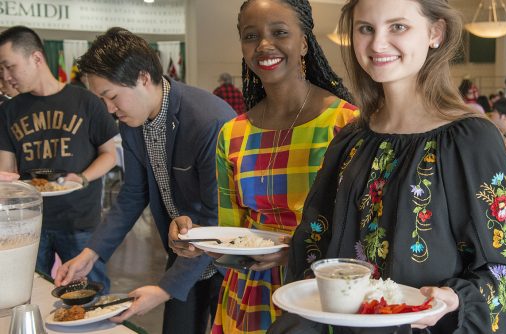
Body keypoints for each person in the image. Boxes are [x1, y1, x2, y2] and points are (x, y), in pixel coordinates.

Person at [270, 0, 506, 332]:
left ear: (435, 32)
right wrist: (283, 251)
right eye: (365, 28)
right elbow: (317, 242)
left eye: (398, 26)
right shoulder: (350, 140)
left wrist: (455, 299)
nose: (378, 44)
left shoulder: (470, 141)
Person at [168, 1, 357, 333]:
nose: (264, 45)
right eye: (251, 35)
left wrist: (293, 250)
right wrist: (195, 239)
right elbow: (232, 234)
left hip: (319, 296)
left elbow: (362, 235)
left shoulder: (346, 124)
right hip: (248, 295)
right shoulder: (234, 133)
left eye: (279, 32)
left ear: (303, 41)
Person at [54, 28, 236, 334]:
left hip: (227, 257)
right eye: (102, 100)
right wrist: (90, 254)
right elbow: (133, 194)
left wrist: (164, 289)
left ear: (142, 77)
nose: (110, 110)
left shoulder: (207, 120)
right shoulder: (133, 121)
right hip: (184, 251)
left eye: (111, 97)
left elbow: (217, 216)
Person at [0, 26, 118, 290]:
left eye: (10, 66)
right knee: (30, 291)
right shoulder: (9, 111)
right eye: (1, 69)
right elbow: (7, 169)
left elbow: (110, 155)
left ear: (37, 59)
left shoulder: (86, 101)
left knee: (91, 292)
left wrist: (83, 177)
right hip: (30, 221)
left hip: (79, 220)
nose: (6, 76)